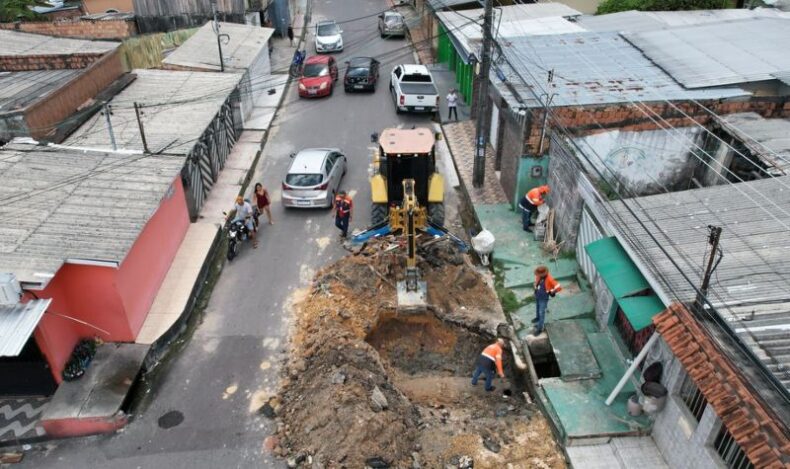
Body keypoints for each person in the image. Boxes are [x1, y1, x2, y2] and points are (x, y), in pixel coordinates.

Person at [533, 265, 561, 335]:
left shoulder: (549, 278)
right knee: (537, 308)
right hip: (538, 295)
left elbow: (558, 286)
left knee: (541, 312)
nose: (537, 275)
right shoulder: (538, 276)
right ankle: (538, 319)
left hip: (543, 298)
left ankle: (540, 328)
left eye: (539, 274)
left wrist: (553, 291)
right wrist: (535, 288)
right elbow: (536, 282)